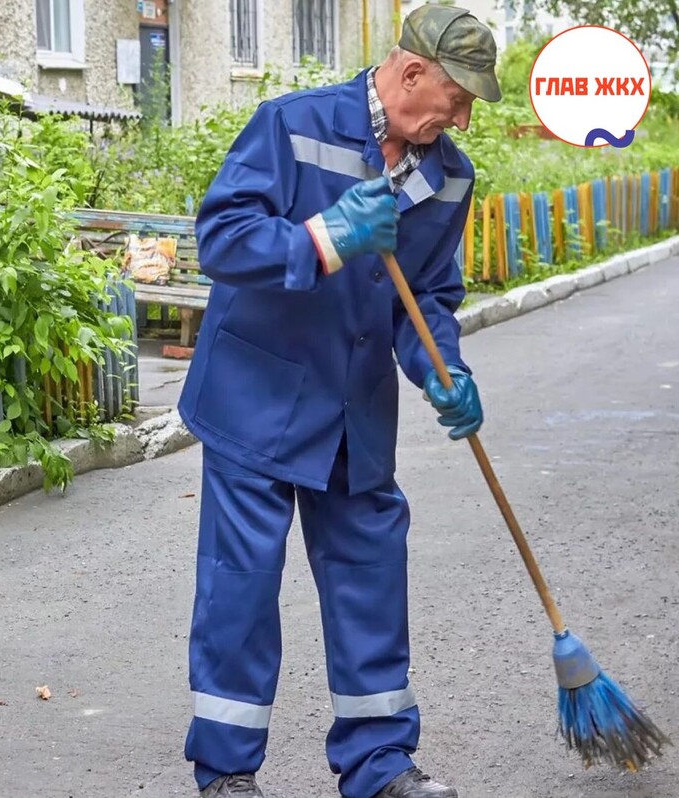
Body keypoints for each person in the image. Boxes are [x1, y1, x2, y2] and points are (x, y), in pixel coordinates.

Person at [174, 5, 501, 798]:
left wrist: (443, 370)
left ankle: (380, 765)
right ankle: (224, 772)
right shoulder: (290, 125)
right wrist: (321, 239)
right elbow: (220, 239)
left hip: (354, 414)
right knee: (242, 586)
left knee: (370, 577)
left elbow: (427, 298)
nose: (460, 117)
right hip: (256, 397)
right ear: (411, 72)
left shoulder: (447, 175)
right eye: (456, 97)